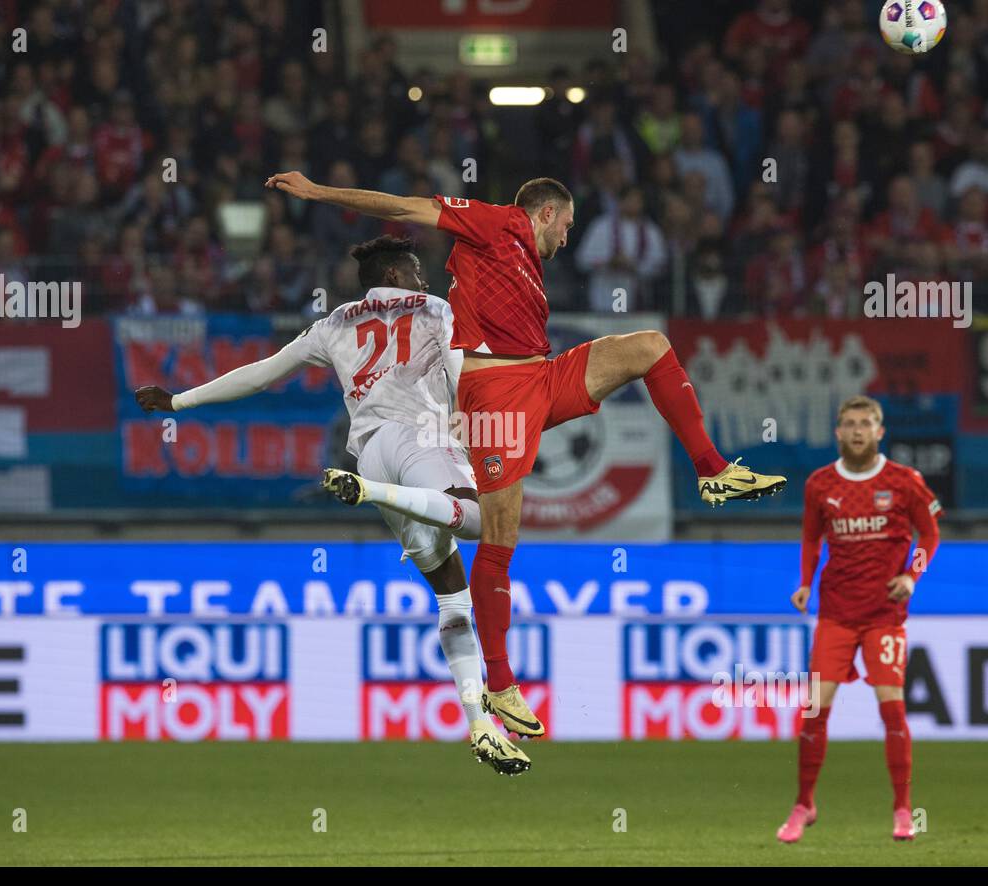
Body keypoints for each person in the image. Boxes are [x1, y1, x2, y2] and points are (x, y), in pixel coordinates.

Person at [263, 169, 786, 743]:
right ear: (544, 214)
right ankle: (501, 683)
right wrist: (318, 193)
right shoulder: (492, 222)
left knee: (650, 347)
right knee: (499, 535)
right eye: (566, 227)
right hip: (497, 398)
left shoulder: (529, 264)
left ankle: (712, 472)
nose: (567, 240)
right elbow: (401, 206)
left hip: (542, 375)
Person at [134, 235, 529, 776]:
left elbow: (264, 372)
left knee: (451, 596)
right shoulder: (437, 309)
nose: (424, 278)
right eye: (415, 270)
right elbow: (464, 375)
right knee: (490, 521)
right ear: (393, 273)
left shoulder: (334, 323)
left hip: (370, 452)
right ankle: (371, 494)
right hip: (421, 439)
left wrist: (181, 400)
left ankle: (479, 725)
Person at [780, 395, 942, 844]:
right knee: (814, 711)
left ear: (879, 431)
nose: (857, 430)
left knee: (892, 710)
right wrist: (806, 583)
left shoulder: (904, 481)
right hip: (835, 613)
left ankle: (903, 809)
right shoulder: (819, 484)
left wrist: (912, 576)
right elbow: (812, 538)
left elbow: (929, 531)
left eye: (865, 423)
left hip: (884, 615)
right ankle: (804, 804)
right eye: (849, 423)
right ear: (837, 432)